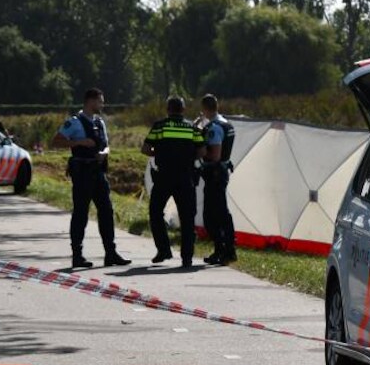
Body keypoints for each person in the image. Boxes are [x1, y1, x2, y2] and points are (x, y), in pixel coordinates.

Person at [52, 88, 131, 269]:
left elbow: (107, 145)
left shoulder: (100, 122)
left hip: (99, 173)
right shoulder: (74, 122)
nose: (102, 105)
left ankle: (110, 253)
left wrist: (104, 152)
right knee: (81, 213)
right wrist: (79, 142)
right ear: (90, 101)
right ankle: (77, 255)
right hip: (82, 173)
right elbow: (56, 141)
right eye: (100, 101)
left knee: (106, 212)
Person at [143, 96, 206, 268]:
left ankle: (164, 249)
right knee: (187, 218)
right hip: (185, 177)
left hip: (164, 176)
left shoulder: (160, 126)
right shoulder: (192, 128)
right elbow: (202, 150)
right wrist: (187, 156)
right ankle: (187, 258)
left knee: (155, 212)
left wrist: (161, 153)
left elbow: (146, 149)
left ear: (168, 109)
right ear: (183, 110)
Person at [194, 94, 237, 265]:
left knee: (212, 215)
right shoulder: (227, 123)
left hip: (215, 174)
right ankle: (226, 250)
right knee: (221, 213)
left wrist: (199, 151)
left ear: (204, 109)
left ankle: (224, 250)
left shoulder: (214, 128)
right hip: (222, 172)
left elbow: (215, 155)